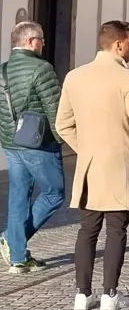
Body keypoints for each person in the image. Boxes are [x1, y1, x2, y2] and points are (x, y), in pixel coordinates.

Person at [55, 21, 129, 310]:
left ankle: (82, 295)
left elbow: (62, 124)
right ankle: (110, 296)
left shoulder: (74, 76)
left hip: (90, 165)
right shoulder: (127, 78)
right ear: (117, 44)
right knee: (116, 231)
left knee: (87, 231)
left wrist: (85, 149)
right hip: (119, 163)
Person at [0, 21, 64, 275]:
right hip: (39, 143)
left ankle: (17, 258)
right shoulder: (42, 68)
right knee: (54, 192)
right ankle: (11, 239)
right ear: (29, 41)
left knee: (18, 197)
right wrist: (66, 139)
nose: (44, 43)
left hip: (11, 143)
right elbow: (56, 110)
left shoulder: (3, 70)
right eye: (41, 39)